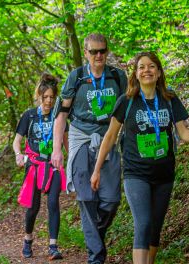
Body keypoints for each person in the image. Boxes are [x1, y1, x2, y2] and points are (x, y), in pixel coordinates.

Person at [91, 52, 189, 264]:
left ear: (159, 72)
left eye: (151, 66)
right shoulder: (127, 101)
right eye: (141, 67)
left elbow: (182, 131)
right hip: (136, 174)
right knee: (143, 223)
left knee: (154, 229)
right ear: (136, 74)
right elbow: (110, 136)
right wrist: (97, 170)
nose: (147, 70)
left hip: (164, 175)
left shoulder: (169, 99)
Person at [51, 33, 127, 264]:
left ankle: (95, 236)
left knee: (111, 200)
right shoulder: (76, 77)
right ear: (86, 53)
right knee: (86, 197)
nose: (99, 55)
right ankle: (96, 256)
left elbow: (128, 106)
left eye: (102, 50)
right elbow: (61, 115)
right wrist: (57, 150)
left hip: (109, 136)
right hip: (81, 136)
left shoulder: (117, 76)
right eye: (93, 51)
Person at [14, 73, 67, 260]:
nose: (49, 101)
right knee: (33, 207)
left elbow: (66, 141)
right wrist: (19, 154)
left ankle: (53, 246)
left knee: (53, 203)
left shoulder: (59, 117)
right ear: (39, 96)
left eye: (52, 97)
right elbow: (17, 140)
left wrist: (71, 162)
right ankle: (28, 239)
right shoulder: (29, 115)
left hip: (53, 165)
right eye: (45, 97)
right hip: (34, 166)